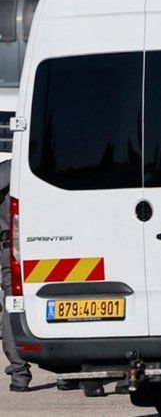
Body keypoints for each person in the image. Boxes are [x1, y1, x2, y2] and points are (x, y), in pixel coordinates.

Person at [0, 159, 30, 392]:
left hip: (12, 245)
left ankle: (19, 374)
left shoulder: (7, 169)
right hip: (55, 242)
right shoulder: (47, 164)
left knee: (13, 302)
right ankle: (68, 374)